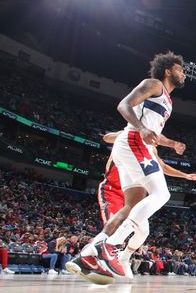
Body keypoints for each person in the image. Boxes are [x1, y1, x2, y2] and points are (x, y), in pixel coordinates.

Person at [77, 52, 188, 279]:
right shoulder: (154, 84)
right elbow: (124, 105)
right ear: (168, 71)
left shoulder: (167, 99)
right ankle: (111, 246)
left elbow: (154, 130)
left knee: (132, 205)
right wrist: (141, 128)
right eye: (179, 70)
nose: (183, 74)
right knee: (162, 194)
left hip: (132, 146)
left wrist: (171, 143)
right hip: (133, 142)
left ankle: (88, 254)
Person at [67, 130, 196, 282]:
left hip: (134, 195)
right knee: (114, 229)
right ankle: (86, 260)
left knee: (143, 231)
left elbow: (163, 167)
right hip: (113, 190)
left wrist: (185, 175)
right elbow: (106, 137)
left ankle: (123, 259)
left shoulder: (151, 149)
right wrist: (133, 131)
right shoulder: (128, 138)